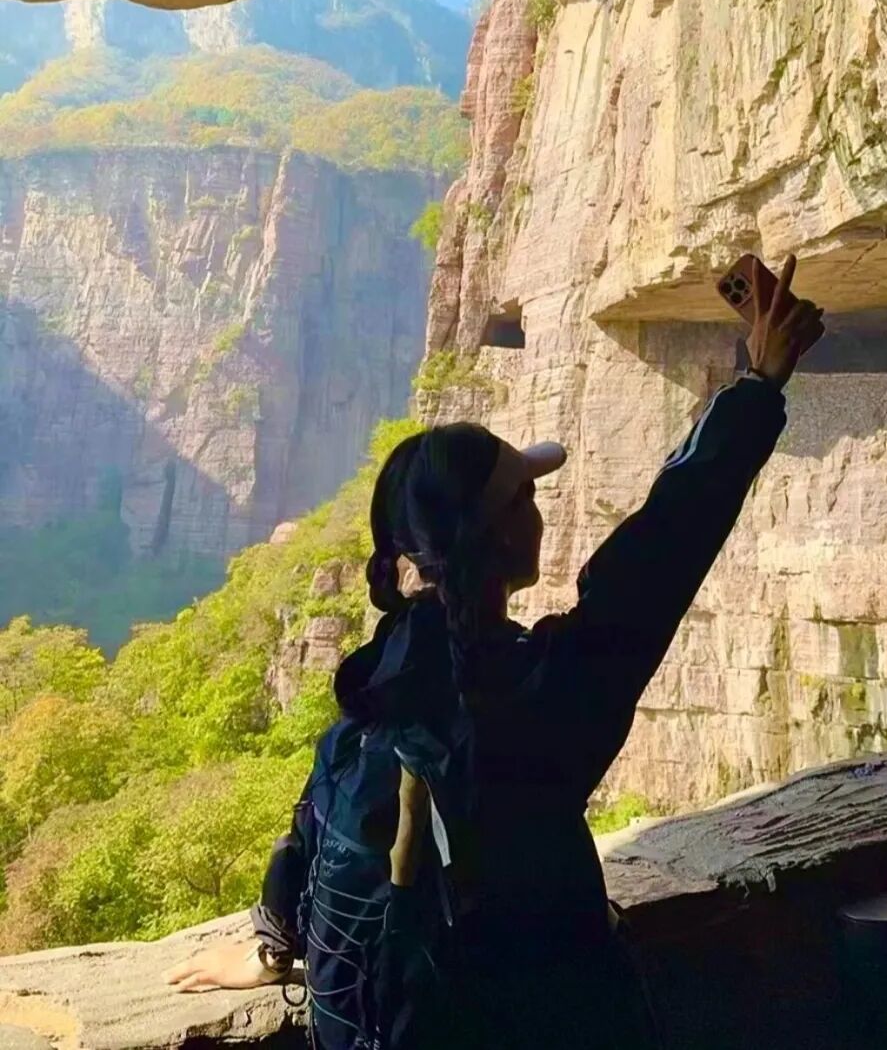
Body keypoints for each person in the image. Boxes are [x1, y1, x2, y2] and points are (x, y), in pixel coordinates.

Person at [166, 257, 824, 1049]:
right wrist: (757, 387)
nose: (542, 508)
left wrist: (275, 940)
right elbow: (661, 551)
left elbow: (321, 814)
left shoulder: (384, 675)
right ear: (502, 535)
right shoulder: (536, 700)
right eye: (527, 495)